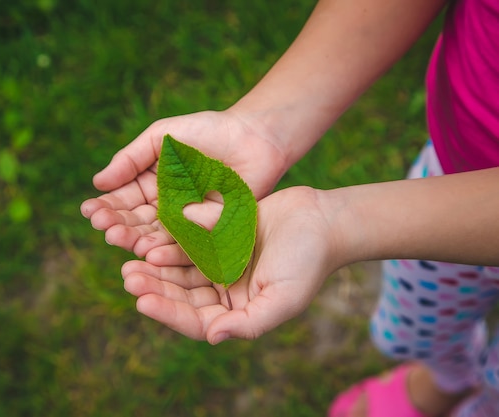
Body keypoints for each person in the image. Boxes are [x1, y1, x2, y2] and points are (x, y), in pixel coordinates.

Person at [81, 0, 499, 415]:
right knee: (413, 328)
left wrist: (341, 226)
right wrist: (265, 128)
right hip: (453, 166)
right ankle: (448, 379)